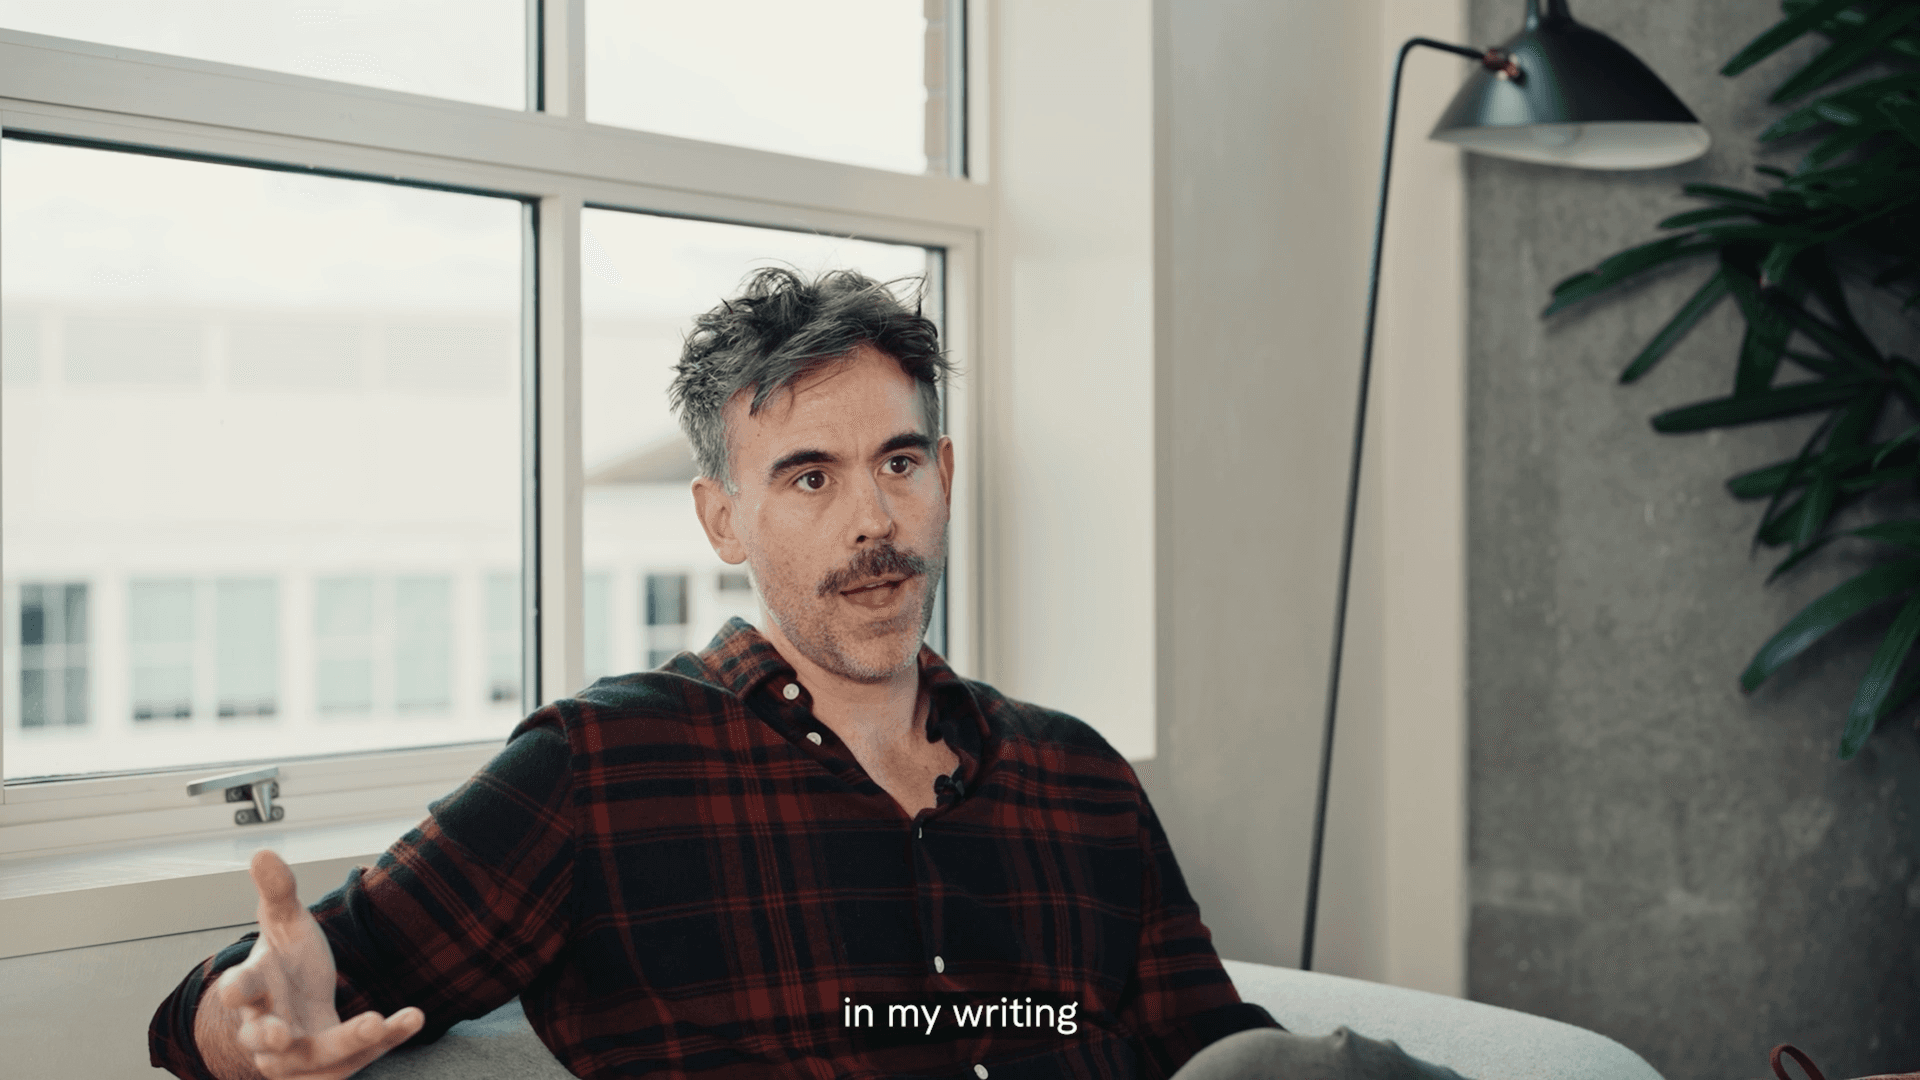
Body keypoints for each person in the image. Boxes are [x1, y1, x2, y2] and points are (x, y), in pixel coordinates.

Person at [150, 268, 1468, 1080]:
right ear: (723, 520)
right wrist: (244, 1018)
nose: (873, 522)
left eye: (900, 462)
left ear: (944, 476)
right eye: (808, 478)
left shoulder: (1075, 774)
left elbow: (1204, 1044)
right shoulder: (601, 767)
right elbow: (304, 982)